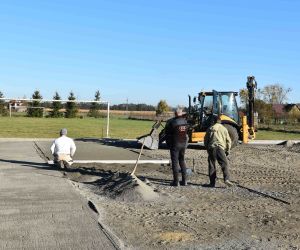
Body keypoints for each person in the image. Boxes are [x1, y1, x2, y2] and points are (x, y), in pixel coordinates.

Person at [204, 116, 234, 187]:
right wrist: (227, 150)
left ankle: (212, 183)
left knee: (212, 166)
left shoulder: (210, 128)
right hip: (220, 149)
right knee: (224, 164)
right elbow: (228, 141)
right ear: (220, 121)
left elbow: (205, 140)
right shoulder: (224, 129)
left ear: (214, 121)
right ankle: (226, 179)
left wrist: (207, 148)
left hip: (212, 148)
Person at [165, 108, 189, 186]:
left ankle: (176, 181)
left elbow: (167, 133)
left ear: (175, 114)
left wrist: (168, 143)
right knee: (182, 160)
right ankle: (184, 181)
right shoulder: (185, 122)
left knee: (175, 162)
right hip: (183, 144)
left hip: (175, 144)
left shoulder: (173, 122)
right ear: (181, 114)